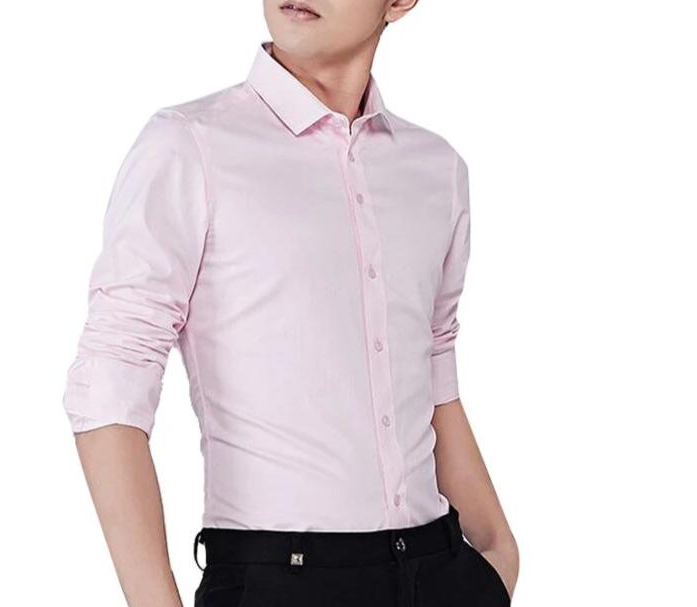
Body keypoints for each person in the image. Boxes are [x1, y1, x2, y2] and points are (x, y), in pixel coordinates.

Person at [62, 1, 519, 605]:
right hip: (281, 578)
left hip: (438, 567)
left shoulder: (435, 170)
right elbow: (112, 376)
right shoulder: (190, 145)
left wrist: (495, 552)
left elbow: (433, 367)